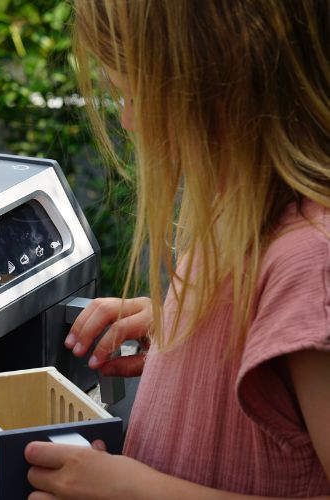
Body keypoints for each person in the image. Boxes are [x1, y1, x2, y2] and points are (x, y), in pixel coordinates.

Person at [25, 1, 330, 498]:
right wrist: (184, 340)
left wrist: (133, 491)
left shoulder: (312, 263)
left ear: (219, 88)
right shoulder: (240, 214)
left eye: (133, 95)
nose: (128, 121)